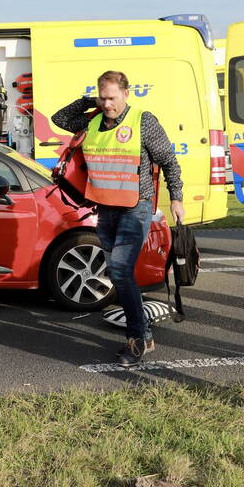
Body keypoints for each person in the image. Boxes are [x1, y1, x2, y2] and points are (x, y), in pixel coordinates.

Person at [52, 70, 184, 367]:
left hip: (135, 208)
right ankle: (144, 334)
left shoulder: (143, 121)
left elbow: (169, 161)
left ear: (127, 93)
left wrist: (176, 198)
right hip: (105, 207)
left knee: (121, 271)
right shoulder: (93, 120)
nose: (108, 103)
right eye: (103, 97)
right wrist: (90, 101)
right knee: (116, 273)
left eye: (112, 97)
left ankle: (137, 340)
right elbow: (59, 119)